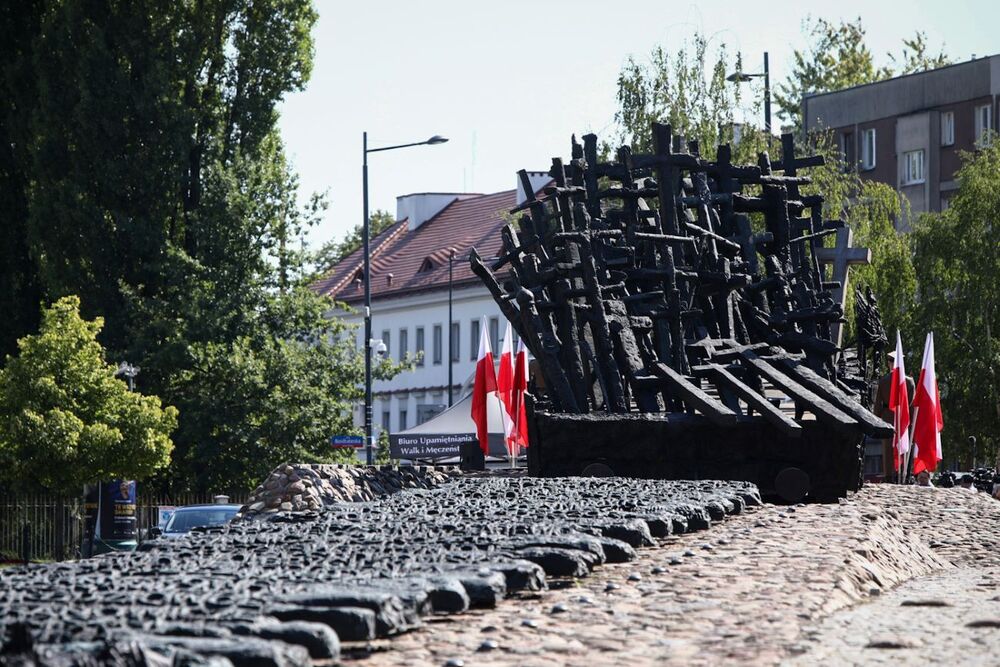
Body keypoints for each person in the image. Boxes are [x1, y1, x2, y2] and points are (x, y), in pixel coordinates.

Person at [873, 350, 914, 482]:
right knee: (903, 446)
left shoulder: (884, 381)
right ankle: (903, 475)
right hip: (904, 418)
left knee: (888, 447)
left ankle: (888, 476)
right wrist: (912, 422)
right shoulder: (909, 382)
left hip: (887, 417)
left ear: (890, 364)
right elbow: (912, 405)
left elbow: (878, 404)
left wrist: (876, 418)